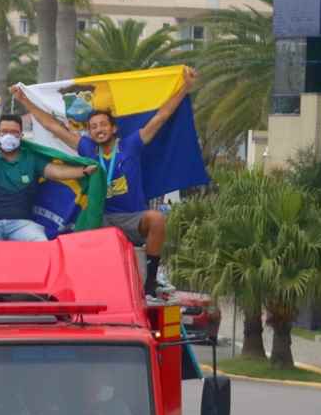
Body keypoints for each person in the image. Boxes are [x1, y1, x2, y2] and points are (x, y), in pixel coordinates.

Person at [11, 67, 198, 296]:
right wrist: (24, 101)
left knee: (157, 219)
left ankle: (150, 280)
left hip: (131, 218)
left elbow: (161, 116)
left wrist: (184, 88)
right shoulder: (86, 148)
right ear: (89, 132)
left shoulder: (131, 144)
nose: (99, 130)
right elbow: (53, 127)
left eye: (103, 125)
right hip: (98, 217)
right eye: (94, 127)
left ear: (114, 128)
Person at [0, 115, 95, 242]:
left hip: (22, 224)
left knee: (40, 242)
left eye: (14, 132)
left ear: (21, 135)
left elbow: (55, 171)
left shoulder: (31, 157)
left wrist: (83, 171)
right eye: (4, 131)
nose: (9, 136)